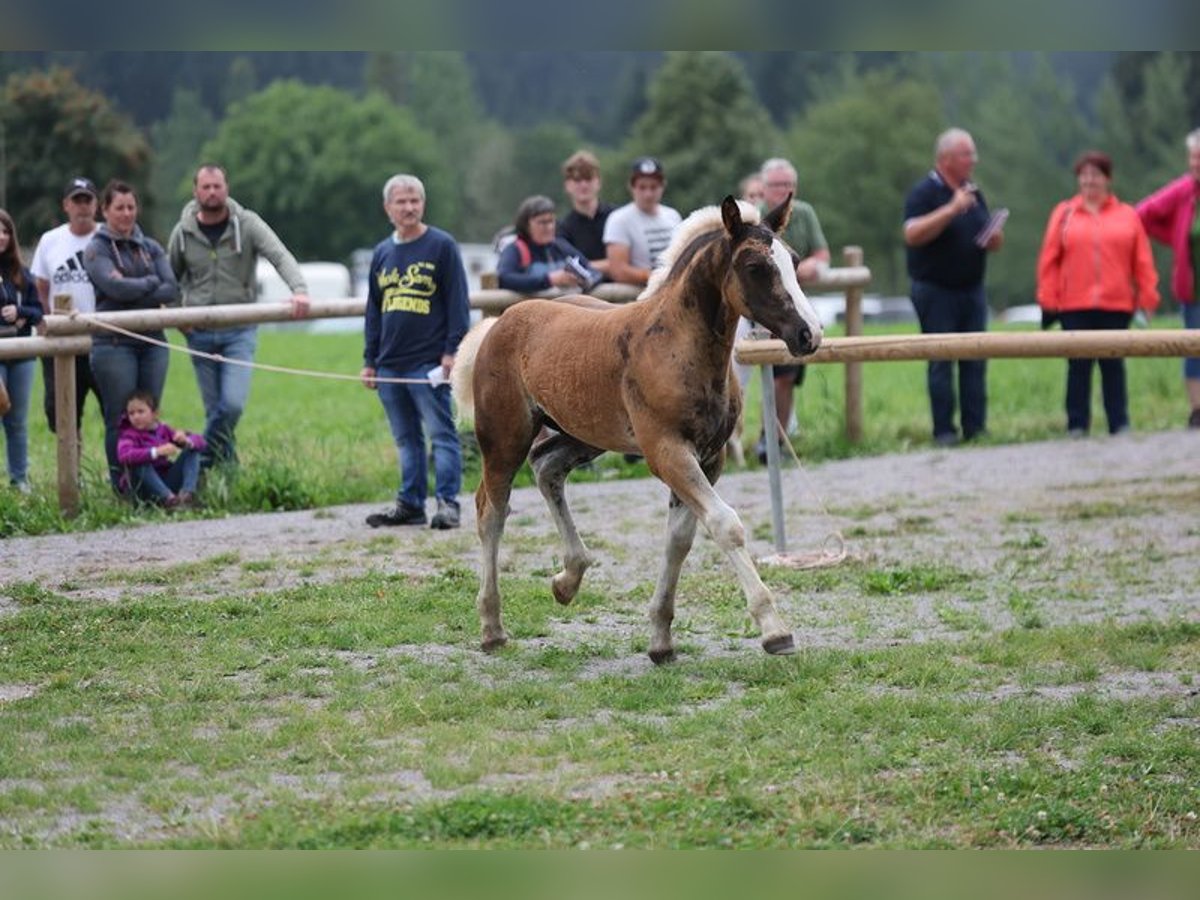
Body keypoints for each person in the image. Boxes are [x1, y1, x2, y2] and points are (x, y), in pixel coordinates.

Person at [168, 164, 310, 469]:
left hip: (240, 331)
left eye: (217, 186)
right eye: (205, 187)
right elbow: (169, 279)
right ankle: (227, 479)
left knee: (231, 406)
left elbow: (279, 255)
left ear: (227, 188)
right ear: (195, 191)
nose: (212, 192)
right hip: (199, 333)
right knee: (214, 411)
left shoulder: (247, 224)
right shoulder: (182, 233)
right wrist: (179, 315)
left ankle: (197, 463)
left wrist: (298, 289)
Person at [362, 174, 470, 530]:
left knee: (441, 434)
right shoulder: (382, 253)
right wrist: (370, 360)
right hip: (390, 364)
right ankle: (410, 503)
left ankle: (447, 503)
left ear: (422, 204)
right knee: (406, 438)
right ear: (387, 208)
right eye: (401, 202)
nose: (409, 208)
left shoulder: (442, 246)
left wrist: (452, 350)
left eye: (415, 201)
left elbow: (457, 302)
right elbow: (374, 311)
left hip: (429, 362)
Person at [1037, 151, 1160, 437]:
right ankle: (1077, 424)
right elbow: (1049, 260)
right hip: (1074, 304)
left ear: (1108, 179)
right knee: (1078, 367)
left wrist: (1148, 297)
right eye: (1084, 175)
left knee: (1113, 366)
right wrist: (1049, 298)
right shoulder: (1064, 213)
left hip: (1116, 304)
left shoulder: (1127, 215)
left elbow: (1142, 260)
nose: (1089, 180)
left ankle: (1119, 423)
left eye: (1095, 174)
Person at [903, 127, 1005, 447]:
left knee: (975, 358)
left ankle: (976, 428)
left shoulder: (973, 193)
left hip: (971, 290)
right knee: (941, 361)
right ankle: (944, 431)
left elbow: (981, 229)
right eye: (966, 154)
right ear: (946, 158)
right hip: (935, 291)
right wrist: (950, 209)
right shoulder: (924, 193)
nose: (973, 160)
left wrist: (993, 238)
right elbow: (912, 234)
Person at [83, 179, 180, 492]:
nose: (126, 214)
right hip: (113, 345)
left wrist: (135, 289)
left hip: (153, 342)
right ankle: (122, 489)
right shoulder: (96, 248)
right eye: (119, 208)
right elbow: (114, 288)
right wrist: (151, 286)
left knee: (148, 418)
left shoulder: (150, 246)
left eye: (131, 207)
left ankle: (152, 487)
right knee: (121, 419)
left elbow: (172, 287)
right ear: (105, 210)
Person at [754, 157, 832, 464]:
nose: (783, 190)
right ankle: (724, 442)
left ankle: (772, 441)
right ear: (763, 189)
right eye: (777, 185)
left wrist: (795, 272)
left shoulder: (804, 213)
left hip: (791, 309)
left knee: (785, 376)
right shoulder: (753, 217)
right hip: (755, 312)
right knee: (742, 376)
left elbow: (822, 253)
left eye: (788, 185)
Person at [1136, 128, 1200, 429]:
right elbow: (1142, 214)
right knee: (1193, 351)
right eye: (1193, 157)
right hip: (1194, 292)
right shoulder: (1183, 190)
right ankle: (1198, 410)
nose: (1196, 163)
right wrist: (1175, 238)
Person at [30, 177, 102, 440]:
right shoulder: (51, 240)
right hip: (61, 337)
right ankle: (74, 473)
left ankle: (120, 473)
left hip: (102, 339)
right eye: (77, 200)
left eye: (87, 200)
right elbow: (40, 285)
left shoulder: (107, 237)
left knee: (114, 410)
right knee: (59, 412)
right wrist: (45, 322)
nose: (82, 207)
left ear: (97, 205)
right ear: (66, 205)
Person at [0, 209, 45, 492]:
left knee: (17, 421)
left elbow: (38, 311)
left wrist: (21, 311)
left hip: (22, 353)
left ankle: (19, 480)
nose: (1, 237)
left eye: (6, 231)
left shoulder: (21, 274)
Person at [116, 389, 205, 510]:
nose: (136, 417)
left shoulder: (163, 430)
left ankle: (186, 496)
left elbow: (202, 442)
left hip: (165, 481)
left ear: (155, 414)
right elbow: (124, 455)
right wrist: (155, 452)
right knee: (138, 463)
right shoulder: (128, 435)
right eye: (131, 413)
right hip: (143, 489)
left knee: (192, 449)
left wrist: (186, 440)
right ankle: (169, 500)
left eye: (141, 411)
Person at [602, 156, 682, 287]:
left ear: (663, 186)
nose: (648, 194)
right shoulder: (619, 219)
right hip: (638, 297)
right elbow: (618, 271)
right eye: (642, 187)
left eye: (653, 187)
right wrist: (659, 276)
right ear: (631, 187)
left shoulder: (673, 216)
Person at [496, 195, 600, 294]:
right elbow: (504, 278)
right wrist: (549, 280)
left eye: (551, 221)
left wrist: (581, 280)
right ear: (526, 225)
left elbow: (593, 272)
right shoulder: (515, 249)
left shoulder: (560, 246)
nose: (549, 227)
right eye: (542, 222)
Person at [557, 150, 614, 281]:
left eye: (588, 178)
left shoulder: (618, 217)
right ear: (567, 185)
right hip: (583, 297)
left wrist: (585, 267)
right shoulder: (562, 228)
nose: (583, 185)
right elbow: (565, 269)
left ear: (598, 182)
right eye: (577, 180)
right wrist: (613, 265)